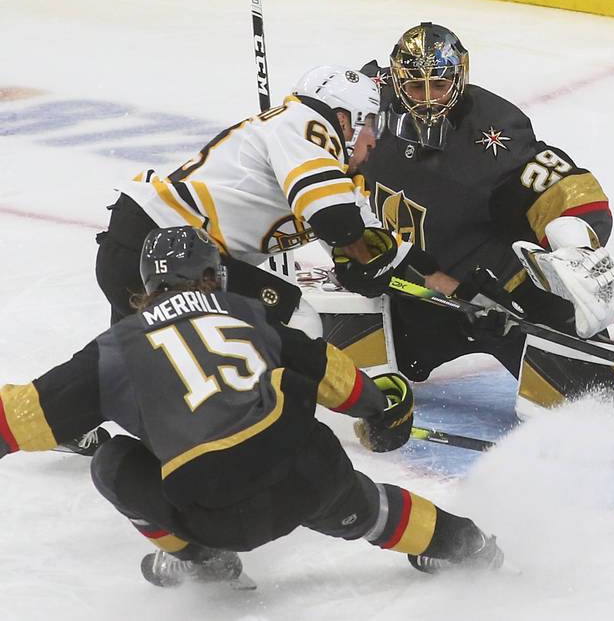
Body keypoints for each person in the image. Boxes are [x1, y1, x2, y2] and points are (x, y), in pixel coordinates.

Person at [0, 226, 503, 587]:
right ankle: (467, 544)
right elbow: (329, 370)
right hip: (309, 475)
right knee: (364, 507)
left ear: (148, 289)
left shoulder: (114, 349)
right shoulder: (247, 313)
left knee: (112, 463)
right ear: (214, 277)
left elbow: (21, 418)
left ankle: (204, 560)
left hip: (216, 513)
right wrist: (379, 410)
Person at [77, 66, 451, 455]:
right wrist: (373, 404)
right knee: (295, 321)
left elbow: (367, 243)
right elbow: (338, 223)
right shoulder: (304, 124)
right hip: (169, 250)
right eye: (370, 123)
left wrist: (439, 278)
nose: (376, 139)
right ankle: (279, 442)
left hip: (141, 245)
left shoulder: (326, 162)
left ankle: (72, 419)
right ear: (343, 119)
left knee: (130, 362)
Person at [352, 22, 614, 383]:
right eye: (417, 86)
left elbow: (561, 187)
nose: (429, 98)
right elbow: (308, 140)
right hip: (418, 293)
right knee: (370, 366)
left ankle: (595, 369)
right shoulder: (365, 103)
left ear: (459, 78)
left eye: (440, 84)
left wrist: (576, 248)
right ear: (398, 82)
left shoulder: (491, 128)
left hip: (501, 296)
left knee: (586, 384)